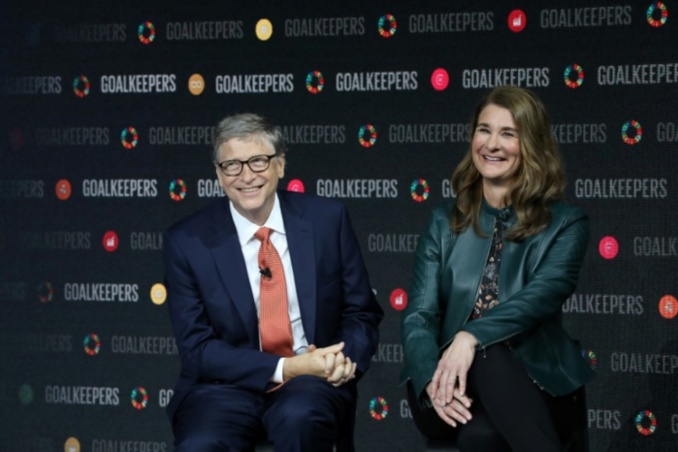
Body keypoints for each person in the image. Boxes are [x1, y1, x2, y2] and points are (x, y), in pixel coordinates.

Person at [163, 113, 383, 451]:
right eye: (232, 165)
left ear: (280, 165)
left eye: (258, 161)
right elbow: (197, 349)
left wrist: (341, 360)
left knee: (300, 419)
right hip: (223, 386)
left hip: (313, 378)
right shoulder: (187, 241)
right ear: (219, 176)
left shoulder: (327, 220)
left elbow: (361, 313)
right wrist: (288, 367)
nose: (246, 176)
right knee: (201, 444)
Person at [400, 86, 595, 451]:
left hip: (535, 381)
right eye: (484, 130)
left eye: (508, 134)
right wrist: (429, 376)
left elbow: (540, 298)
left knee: (482, 434)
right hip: (445, 386)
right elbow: (418, 315)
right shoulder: (443, 223)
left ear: (531, 145)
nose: (492, 144)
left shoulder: (566, 224)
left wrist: (470, 336)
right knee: (480, 398)